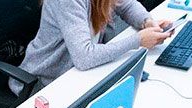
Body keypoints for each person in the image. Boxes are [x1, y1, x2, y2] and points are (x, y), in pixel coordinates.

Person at [12, 0, 174, 94]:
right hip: (45, 80)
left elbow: (126, 4)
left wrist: (147, 22)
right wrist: (138, 40)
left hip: (79, 73)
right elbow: (84, 57)